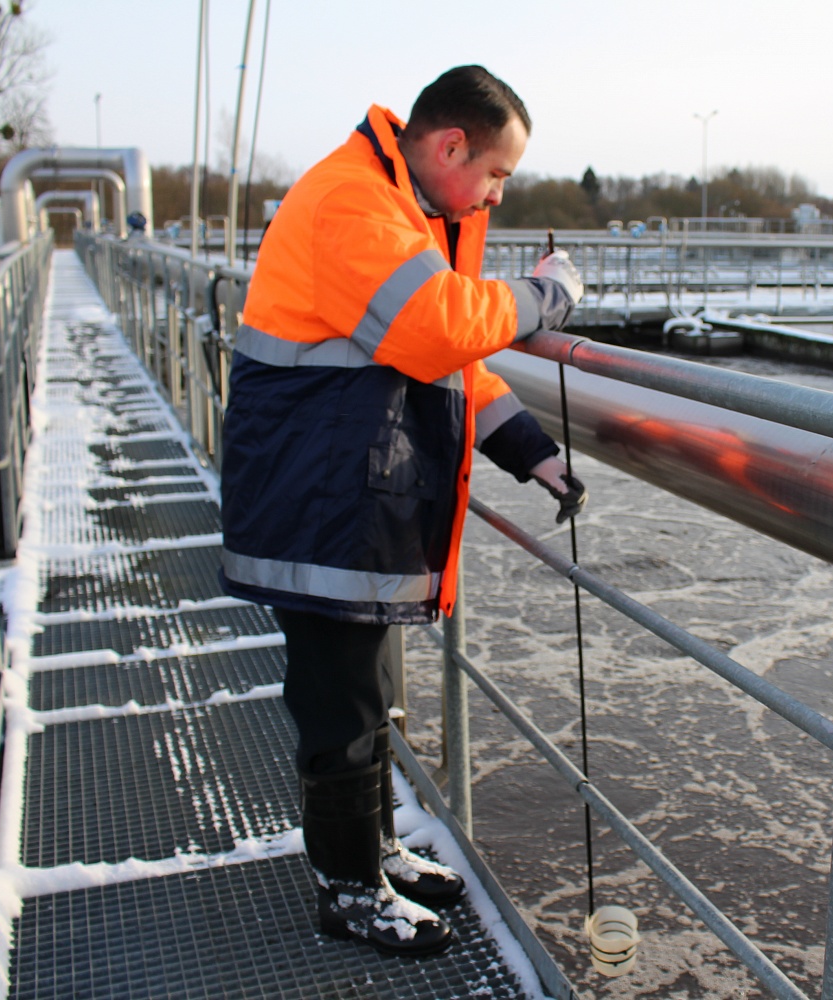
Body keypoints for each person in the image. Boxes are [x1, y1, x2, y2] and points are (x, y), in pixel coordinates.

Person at [217, 66, 586, 956]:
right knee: (339, 705)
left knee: (370, 694)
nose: (497, 194)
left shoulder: (397, 205)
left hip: (350, 496)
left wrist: (531, 451)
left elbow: (452, 365)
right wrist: (546, 298)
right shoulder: (353, 201)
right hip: (322, 501)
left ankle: (374, 851)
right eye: (496, 175)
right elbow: (435, 327)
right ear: (450, 145)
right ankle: (348, 889)